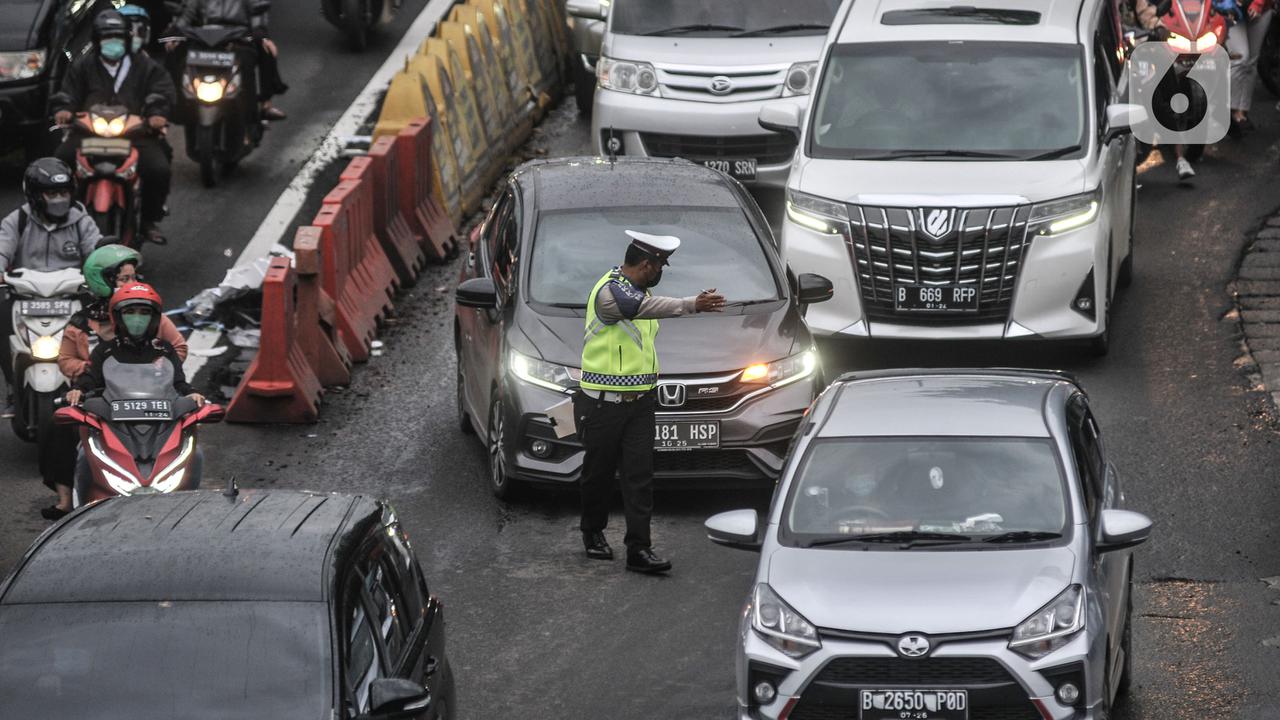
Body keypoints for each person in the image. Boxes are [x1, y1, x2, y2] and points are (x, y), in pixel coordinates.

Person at [573, 231, 725, 574]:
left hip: (640, 403)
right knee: (597, 475)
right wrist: (691, 304)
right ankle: (592, 532)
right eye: (660, 266)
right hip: (603, 404)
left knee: (639, 477)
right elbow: (637, 308)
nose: (661, 272)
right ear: (646, 265)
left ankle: (639, 549)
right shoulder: (611, 292)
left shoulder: (640, 290)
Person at [65, 282, 204, 503]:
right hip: (114, 424)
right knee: (84, 455)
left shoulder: (165, 350)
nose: (137, 318)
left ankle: (186, 507)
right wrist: (78, 391)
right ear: (118, 317)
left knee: (195, 454)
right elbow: (89, 380)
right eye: (130, 312)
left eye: (144, 313)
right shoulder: (104, 350)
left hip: (160, 424)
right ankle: (81, 510)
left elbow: (179, 383)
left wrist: (193, 394)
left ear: (154, 318)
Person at [51, 9, 176, 245]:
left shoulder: (145, 65)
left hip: (135, 133)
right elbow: (67, 93)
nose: (113, 42)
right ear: (97, 40)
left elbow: (161, 92)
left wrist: (156, 114)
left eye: (118, 37)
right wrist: (63, 109)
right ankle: (61, 217)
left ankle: (149, 219)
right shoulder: (83, 65)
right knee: (60, 162)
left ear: (127, 39)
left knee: (158, 169)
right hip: (88, 132)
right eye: (107, 37)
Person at [0, 157, 103, 420]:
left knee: (102, 328)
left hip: (72, 295)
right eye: (52, 193)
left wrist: (105, 270)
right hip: (25, 296)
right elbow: (2, 248)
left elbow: (96, 253)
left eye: (63, 193)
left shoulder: (82, 221)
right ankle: (12, 387)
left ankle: (96, 386)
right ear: (35, 196)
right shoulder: (17, 221)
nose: (59, 199)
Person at [168, 0, 289, 121]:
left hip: (239, 36)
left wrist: (261, 33)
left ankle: (264, 106)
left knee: (263, 50)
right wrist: (175, 32)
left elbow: (258, 11)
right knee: (176, 53)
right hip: (207, 36)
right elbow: (187, 13)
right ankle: (177, 108)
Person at [1221, 0, 1274, 134]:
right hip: (1229, 9)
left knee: (1251, 61)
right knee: (1240, 58)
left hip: (1261, 10)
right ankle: (1231, 111)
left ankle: (1241, 112)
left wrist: (1258, 4)